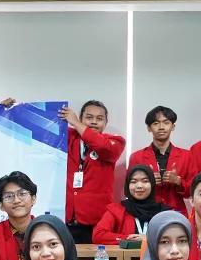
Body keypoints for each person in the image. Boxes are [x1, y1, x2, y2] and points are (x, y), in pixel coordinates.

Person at [61, 100, 127, 243]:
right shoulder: (69, 137)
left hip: (98, 222)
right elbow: (40, 124)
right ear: (81, 117)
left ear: (106, 122)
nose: (94, 122)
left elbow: (103, 148)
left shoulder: (115, 141)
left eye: (99, 118)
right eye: (89, 117)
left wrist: (76, 123)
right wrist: (9, 110)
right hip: (67, 220)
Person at [128, 106, 190, 213]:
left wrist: (178, 181)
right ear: (149, 128)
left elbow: (194, 190)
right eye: (156, 123)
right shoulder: (136, 157)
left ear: (173, 126)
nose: (161, 127)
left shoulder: (187, 155)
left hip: (176, 212)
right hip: (145, 212)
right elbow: (128, 190)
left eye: (166, 122)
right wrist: (146, 182)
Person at [91, 165, 169, 245]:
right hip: (126, 257)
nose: (139, 186)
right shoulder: (117, 210)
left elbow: (175, 237)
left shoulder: (164, 213)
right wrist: (129, 239)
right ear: (127, 185)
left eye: (145, 181)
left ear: (152, 184)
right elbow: (98, 235)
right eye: (133, 182)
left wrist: (149, 238)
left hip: (156, 257)